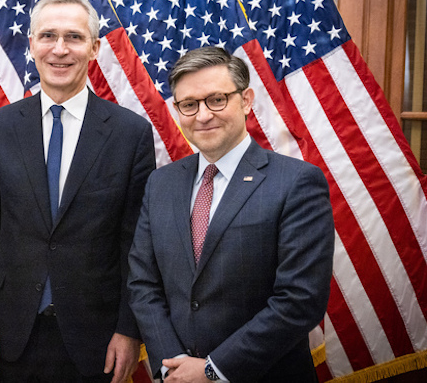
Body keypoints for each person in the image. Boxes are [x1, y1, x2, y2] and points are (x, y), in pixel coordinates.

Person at [0, 0, 156, 383]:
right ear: (32, 45)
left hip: (97, 340)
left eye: (74, 37)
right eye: (48, 36)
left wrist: (128, 329)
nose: (60, 49)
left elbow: (135, 243)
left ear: (95, 48)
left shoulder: (130, 133)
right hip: (10, 334)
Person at [128, 47, 334, 383]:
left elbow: (300, 299)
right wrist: (173, 365)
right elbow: (143, 284)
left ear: (246, 100)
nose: (203, 115)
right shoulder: (160, 183)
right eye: (189, 105)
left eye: (216, 99)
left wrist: (213, 370)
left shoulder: (296, 182)